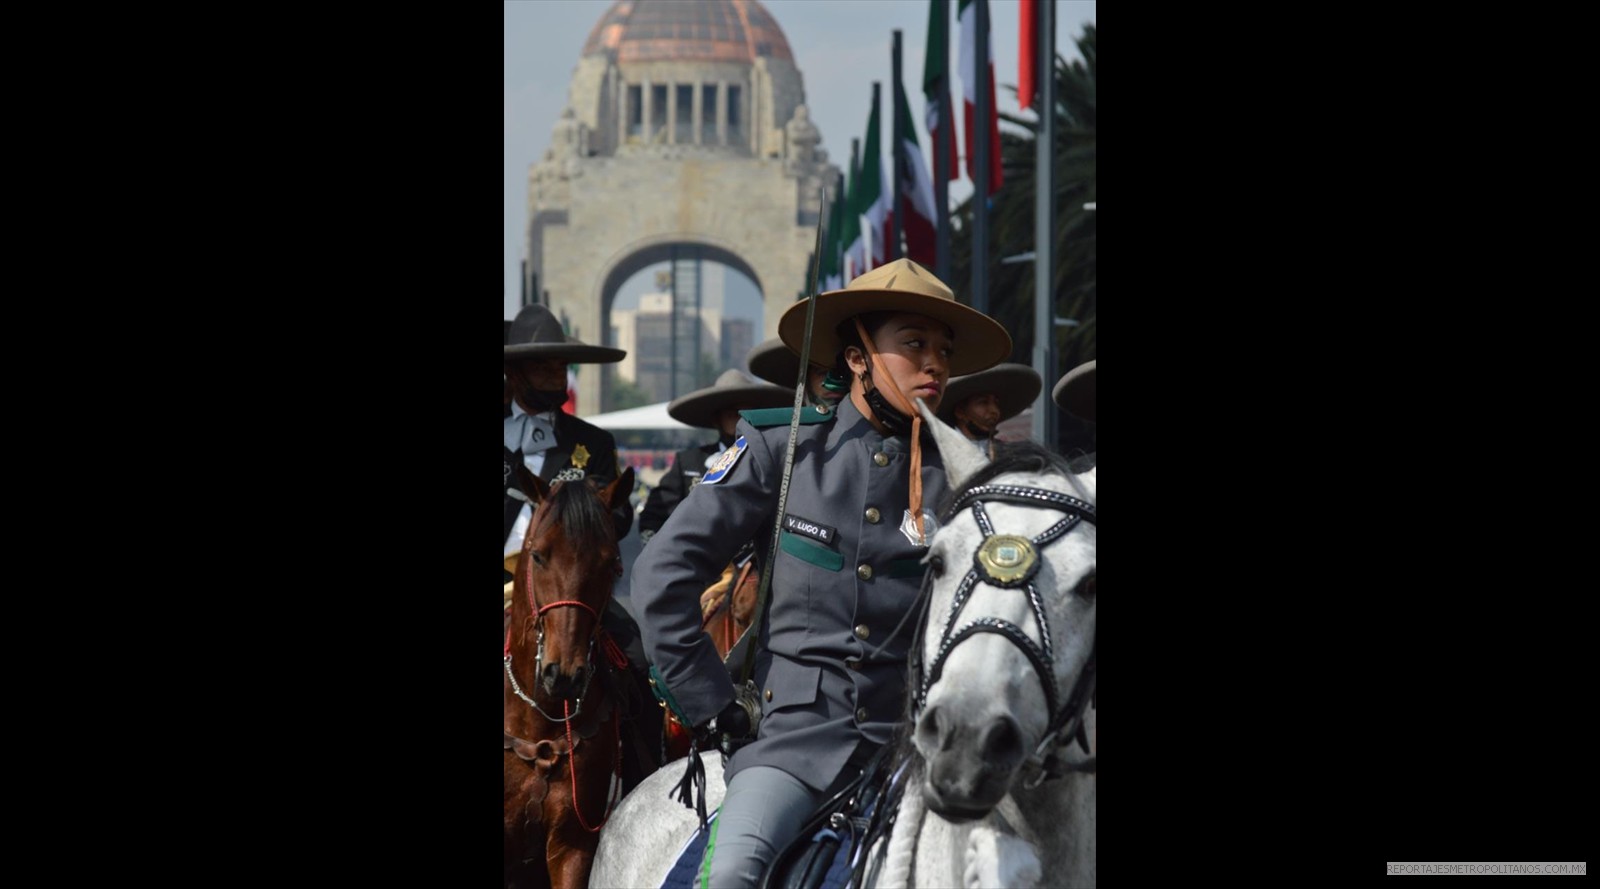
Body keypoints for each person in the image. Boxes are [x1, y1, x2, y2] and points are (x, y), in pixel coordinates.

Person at [630, 258, 1012, 888]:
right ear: (857, 357)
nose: (936, 364)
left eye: (943, 349)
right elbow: (661, 576)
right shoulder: (781, 453)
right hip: (795, 748)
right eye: (914, 344)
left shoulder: (970, 481)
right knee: (731, 876)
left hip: (923, 753)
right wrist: (713, 706)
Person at [502, 303, 660, 790]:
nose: (555, 375)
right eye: (543, 365)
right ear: (514, 372)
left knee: (635, 658)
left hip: (562, 587)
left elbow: (619, 514)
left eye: (560, 366)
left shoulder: (592, 443)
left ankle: (644, 782)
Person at [637, 369, 792, 544]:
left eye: (747, 413)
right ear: (717, 419)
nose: (741, 420)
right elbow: (654, 515)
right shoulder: (688, 462)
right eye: (733, 414)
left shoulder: (777, 460)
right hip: (702, 564)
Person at [936, 362, 1043, 459]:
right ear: (960, 412)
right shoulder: (937, 456)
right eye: (983, 402)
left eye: (996, 403)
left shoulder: (1011, 458)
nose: (994, 410)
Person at [745, 336, 847, 410]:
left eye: (840, 372)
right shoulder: (779, 431)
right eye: (822, 373)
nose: (834, 380)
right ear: (806, 380)